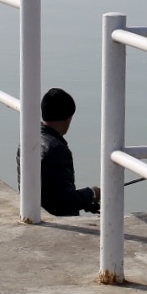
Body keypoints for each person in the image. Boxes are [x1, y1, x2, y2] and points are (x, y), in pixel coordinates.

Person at [16, 88, 101, 216]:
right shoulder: (57, 149)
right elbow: (65, 202)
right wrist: (93, 193)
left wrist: (86, 202)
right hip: (57, 222)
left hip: (36, 211)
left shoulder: (28, 139)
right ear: (67, 119)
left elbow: (52, 194)